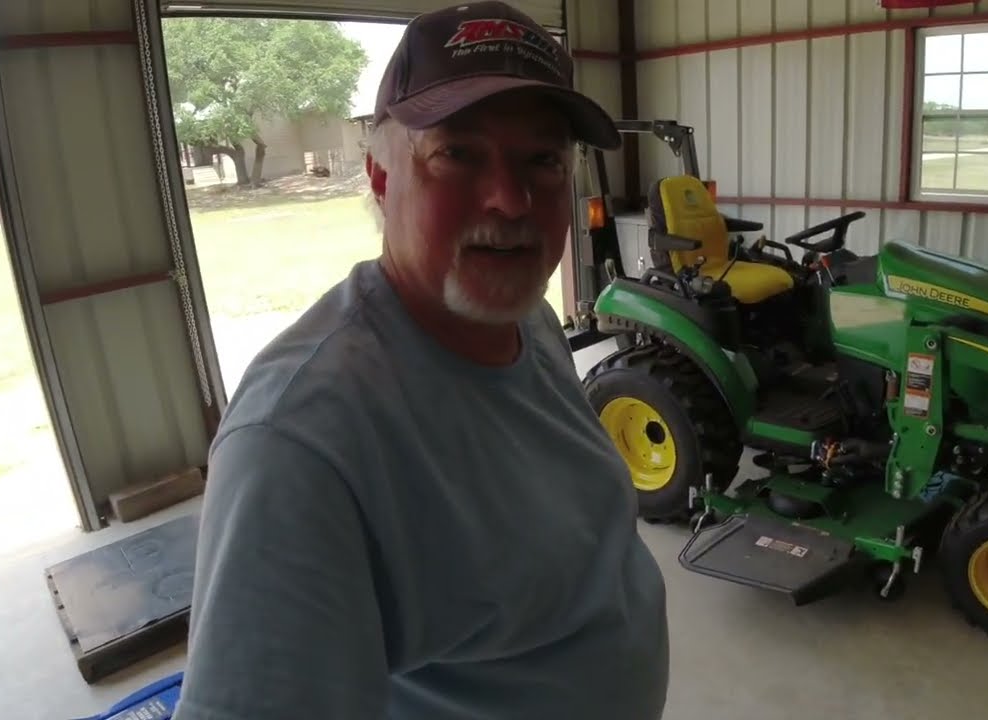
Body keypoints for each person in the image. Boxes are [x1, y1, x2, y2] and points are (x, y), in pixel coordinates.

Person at [172, 3, 670, 719]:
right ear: (380, 176)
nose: (511, 197)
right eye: (458, 153)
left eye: (544, 160)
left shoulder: (529, 322)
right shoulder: (304, 440)